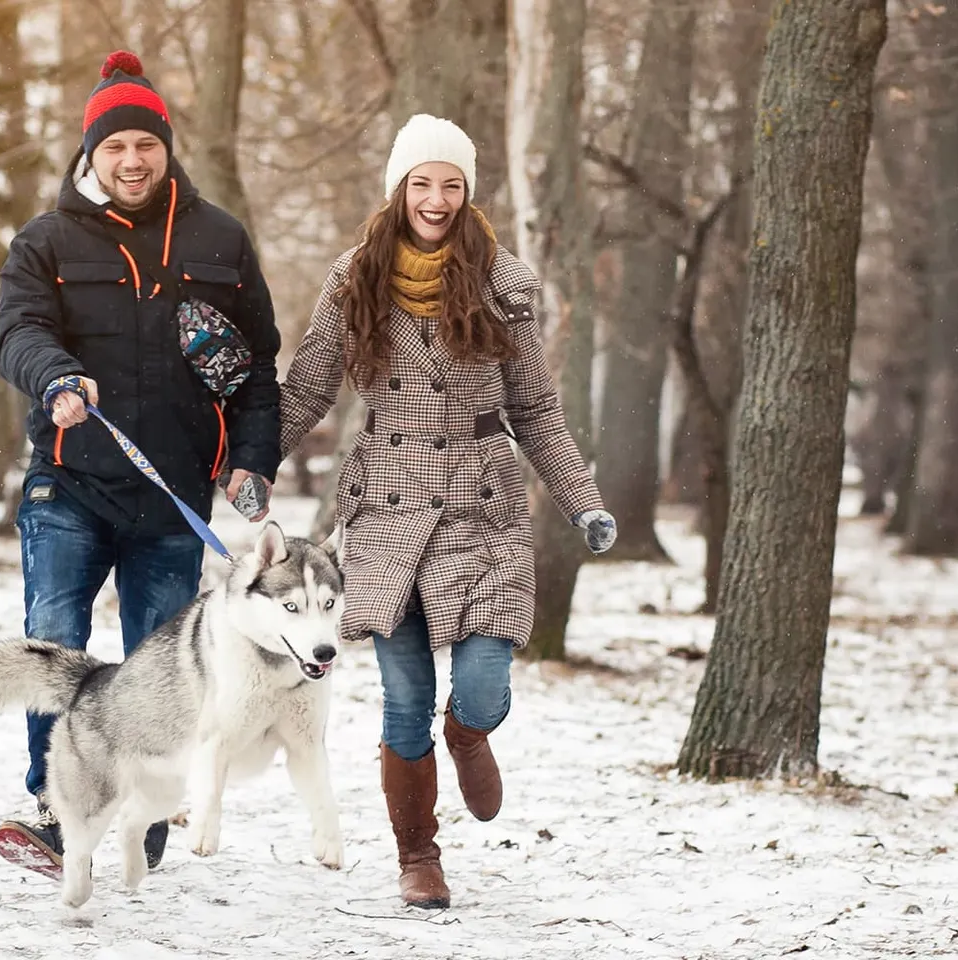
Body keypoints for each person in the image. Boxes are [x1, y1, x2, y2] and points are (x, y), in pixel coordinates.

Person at [278, 113, 616, 909]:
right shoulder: (354, 277)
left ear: (467, 194)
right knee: (402, 700)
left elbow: (536, 409)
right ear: (399, 189)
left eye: (451, 184)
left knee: (486, 685)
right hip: (387, 507)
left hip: (480, 506)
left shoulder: (505, 285)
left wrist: (584, 503)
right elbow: (309, 388)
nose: (436, 198)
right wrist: (247, 462)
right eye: (422, 183)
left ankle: (468, 733)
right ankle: (418, 857)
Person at [0, 50, 282, 878]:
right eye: (113, 147)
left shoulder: (219, 239)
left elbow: (258, 366)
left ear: (165, 147)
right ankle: (60, 808)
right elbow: (16, 333)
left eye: (143, 145)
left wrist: (252, 461)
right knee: (55, 639)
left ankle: (143, 810)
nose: (130, 160)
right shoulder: (44, 241)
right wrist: (54, 378)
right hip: (69, 482)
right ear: (91, 154)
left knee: (161, 670)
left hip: (172, 495)